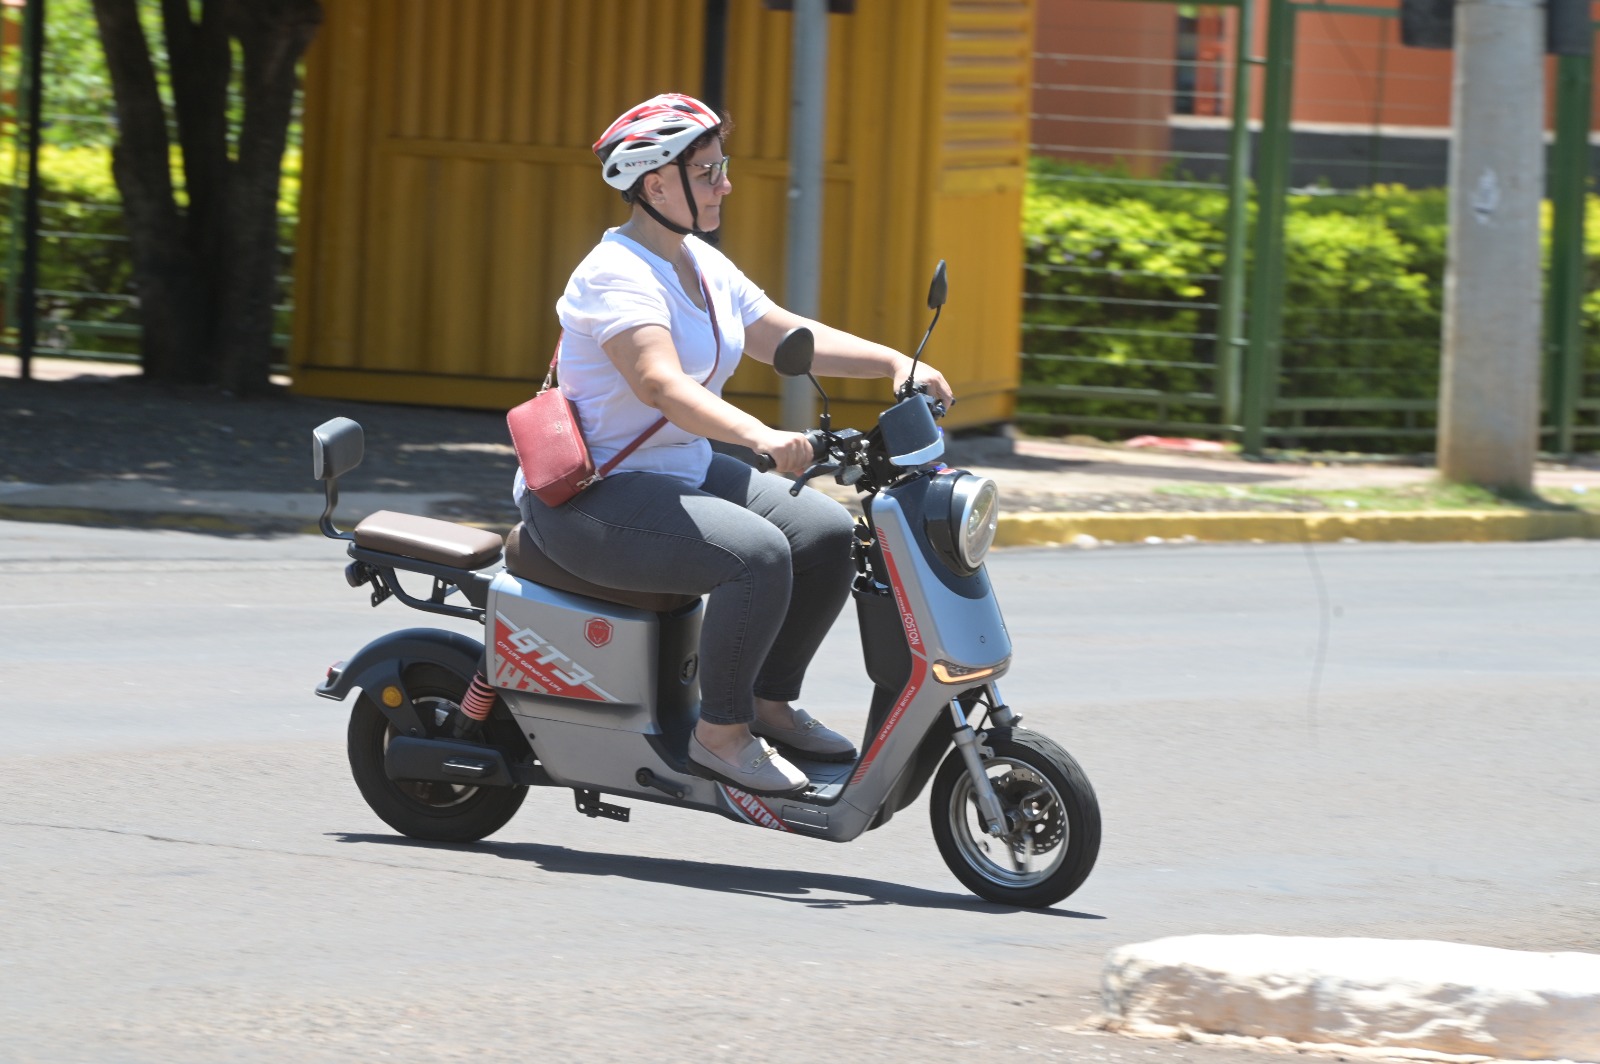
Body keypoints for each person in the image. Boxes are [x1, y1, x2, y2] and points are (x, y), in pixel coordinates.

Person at [514, 93, 953, 797]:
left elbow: (779, 334)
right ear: (655, 184)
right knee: (757, 555)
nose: (726, 184)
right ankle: (719, 735)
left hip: (679, 473)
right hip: (594, 497)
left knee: (826, 532)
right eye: (708, 172)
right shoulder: (614, 275)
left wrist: (894, 363)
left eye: (722, 167)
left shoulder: (700, 263)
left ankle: (767, 703)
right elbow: (659, 383)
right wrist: (760, 435)